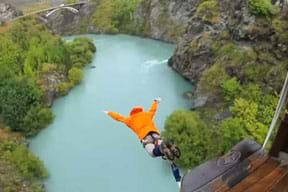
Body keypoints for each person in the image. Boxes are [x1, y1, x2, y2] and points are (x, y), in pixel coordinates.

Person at [103, 98, 181, 161]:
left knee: (152, 153)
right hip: (155, 134)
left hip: (145, 137)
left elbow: (119, 118)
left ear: (132, 113)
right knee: (159, 143)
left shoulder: (130, 119)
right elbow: (153, 110)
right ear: (140, 110)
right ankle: (169, 146)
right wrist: (156, 101)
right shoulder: (147, 114)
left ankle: (163, 148)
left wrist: (109, 112)